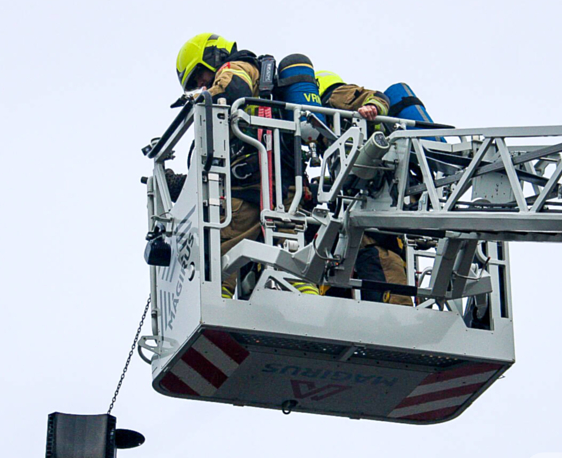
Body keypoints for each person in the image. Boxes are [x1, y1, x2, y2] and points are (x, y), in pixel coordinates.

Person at [175, 33, 319, 297]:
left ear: (211, 57)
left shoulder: (234, 68)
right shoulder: (255, 73)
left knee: (221, 250)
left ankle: (220, 303)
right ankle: (309, 303)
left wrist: (199, 102)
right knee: (288, 253)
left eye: (199, 76)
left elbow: (233, 90)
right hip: (280, 180)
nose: (202, 84)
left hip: (250, 183)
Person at [315, 71, 414, 306]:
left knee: (391, 296)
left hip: (377, 234)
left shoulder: (336, 96)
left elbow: (378, 97)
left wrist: (372, 107)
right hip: (359, 236)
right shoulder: (326, 121)